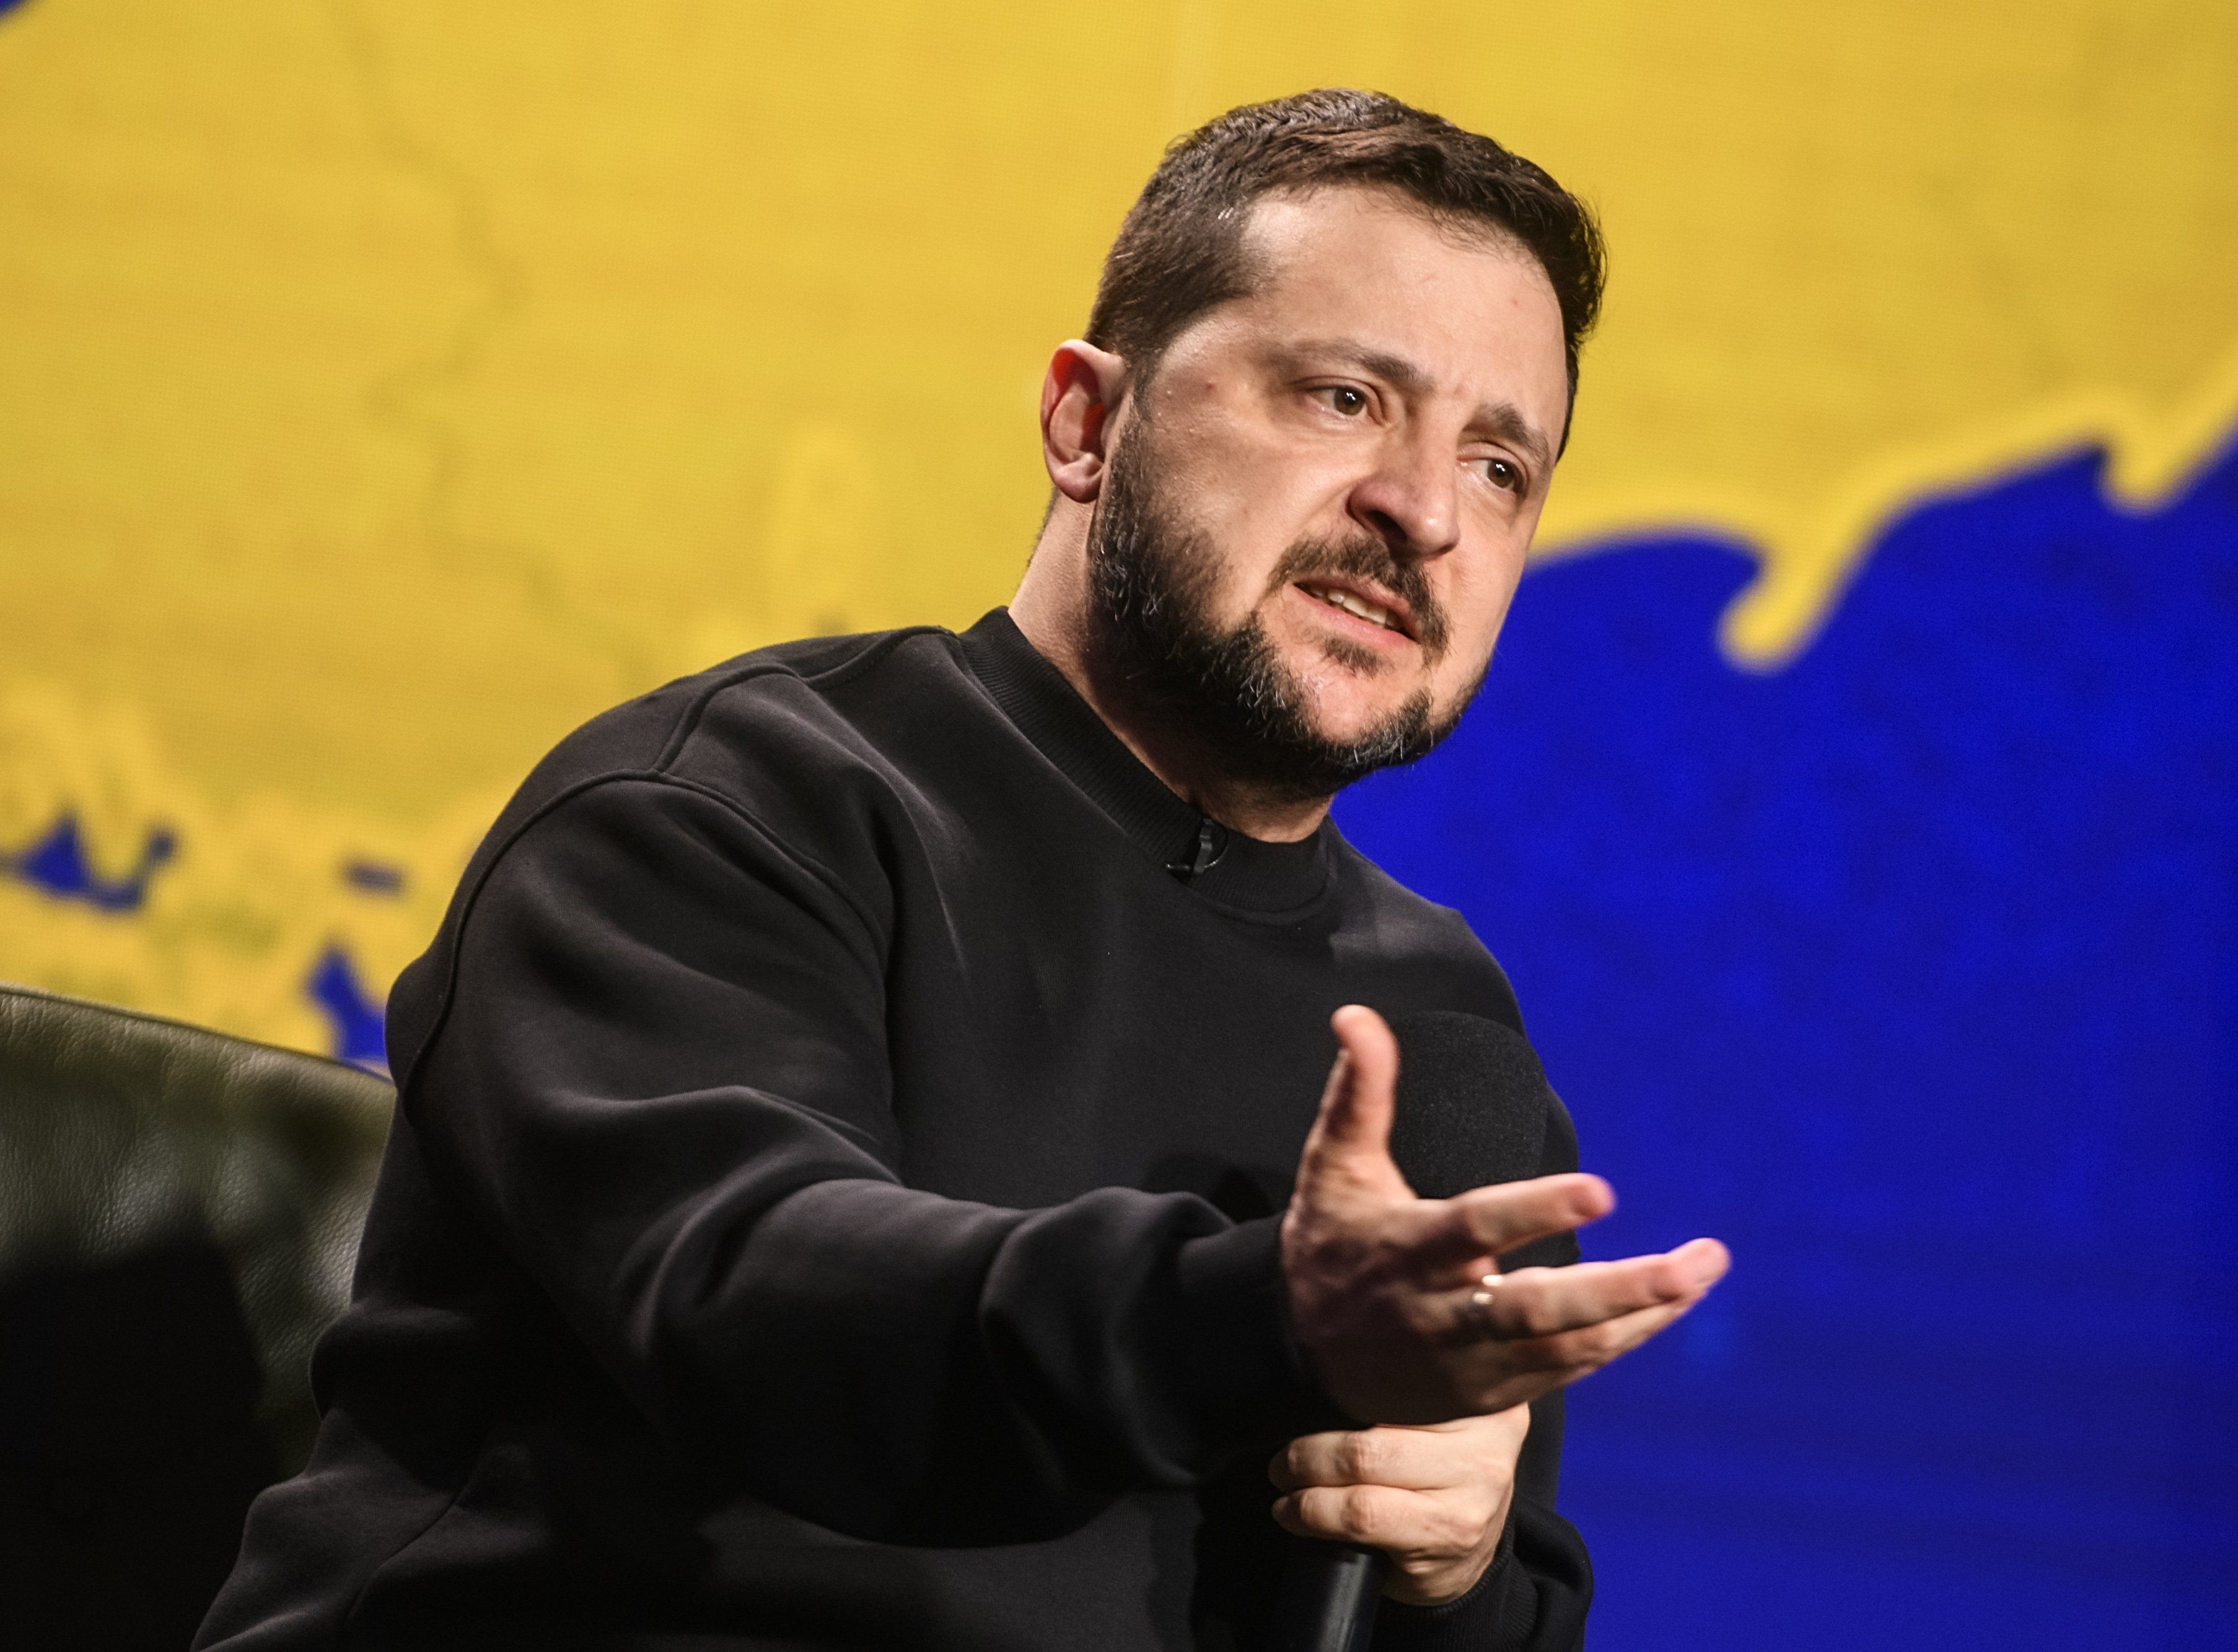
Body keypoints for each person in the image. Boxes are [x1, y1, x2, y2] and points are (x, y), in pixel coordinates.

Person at [197, 89, 1729, 1652]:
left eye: (1498, 468)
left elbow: (1495, 1605)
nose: (1419, 511)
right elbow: (762, 1315)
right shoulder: (717, 814)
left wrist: (1452, 1567)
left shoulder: (1443, 1034)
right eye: (1343, 398)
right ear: (1084, 421)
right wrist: (1256, 1320)